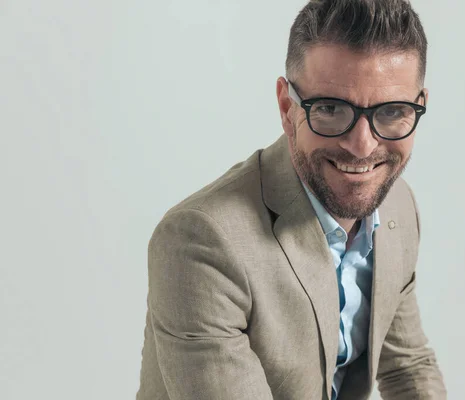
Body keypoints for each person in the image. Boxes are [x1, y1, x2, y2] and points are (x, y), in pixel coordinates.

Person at [136, 0, 446, 399]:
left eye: (393, 112)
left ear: (418, 105)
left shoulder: (396, 207)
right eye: (331, 109)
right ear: (287, 107)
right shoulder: (201, 243)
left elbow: (408, 368)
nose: (362, 146)